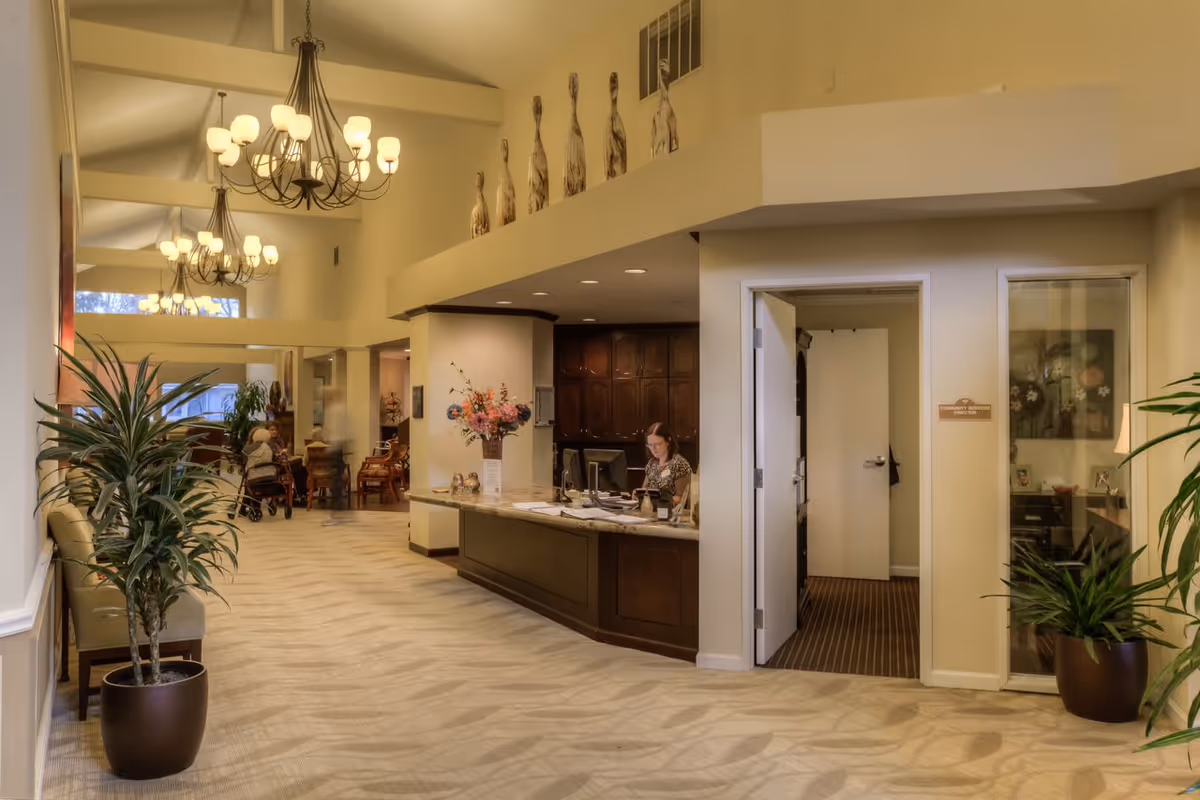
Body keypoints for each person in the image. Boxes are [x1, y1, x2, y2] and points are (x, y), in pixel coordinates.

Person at [642, 422, 692, 508]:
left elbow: (682, 498)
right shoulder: (651, 464)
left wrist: (661, 502)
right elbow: (644, 490)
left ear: (668, 441)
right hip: (652, 510)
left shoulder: (679, 463)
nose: (653, 448)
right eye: (650, 445)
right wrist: (638, 495)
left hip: (670, 512)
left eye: (657, 444)